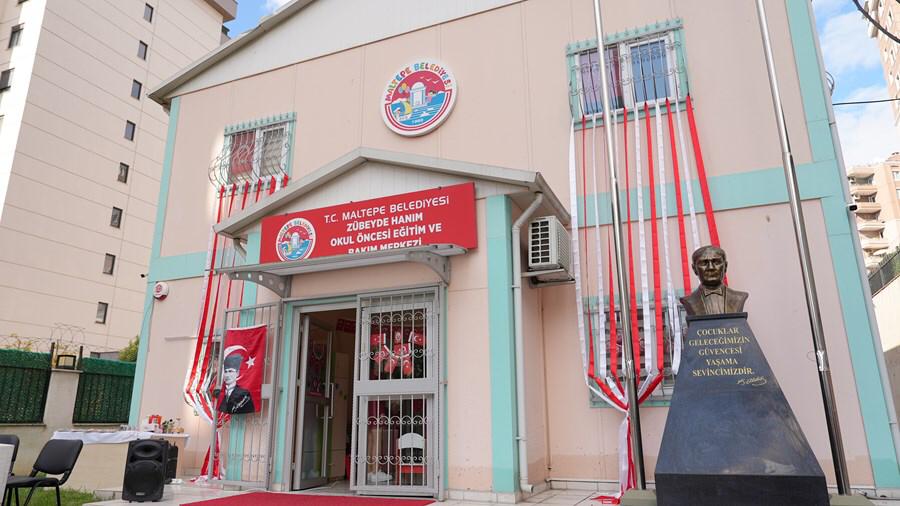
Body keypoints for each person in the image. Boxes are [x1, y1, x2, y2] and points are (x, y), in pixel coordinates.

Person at [679, 245, 748, 316]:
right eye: (704, 263)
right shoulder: (689, 301)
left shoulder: (738, 297)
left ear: (725, 266)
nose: (711, 267)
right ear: (694, 269)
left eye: (716, 262)